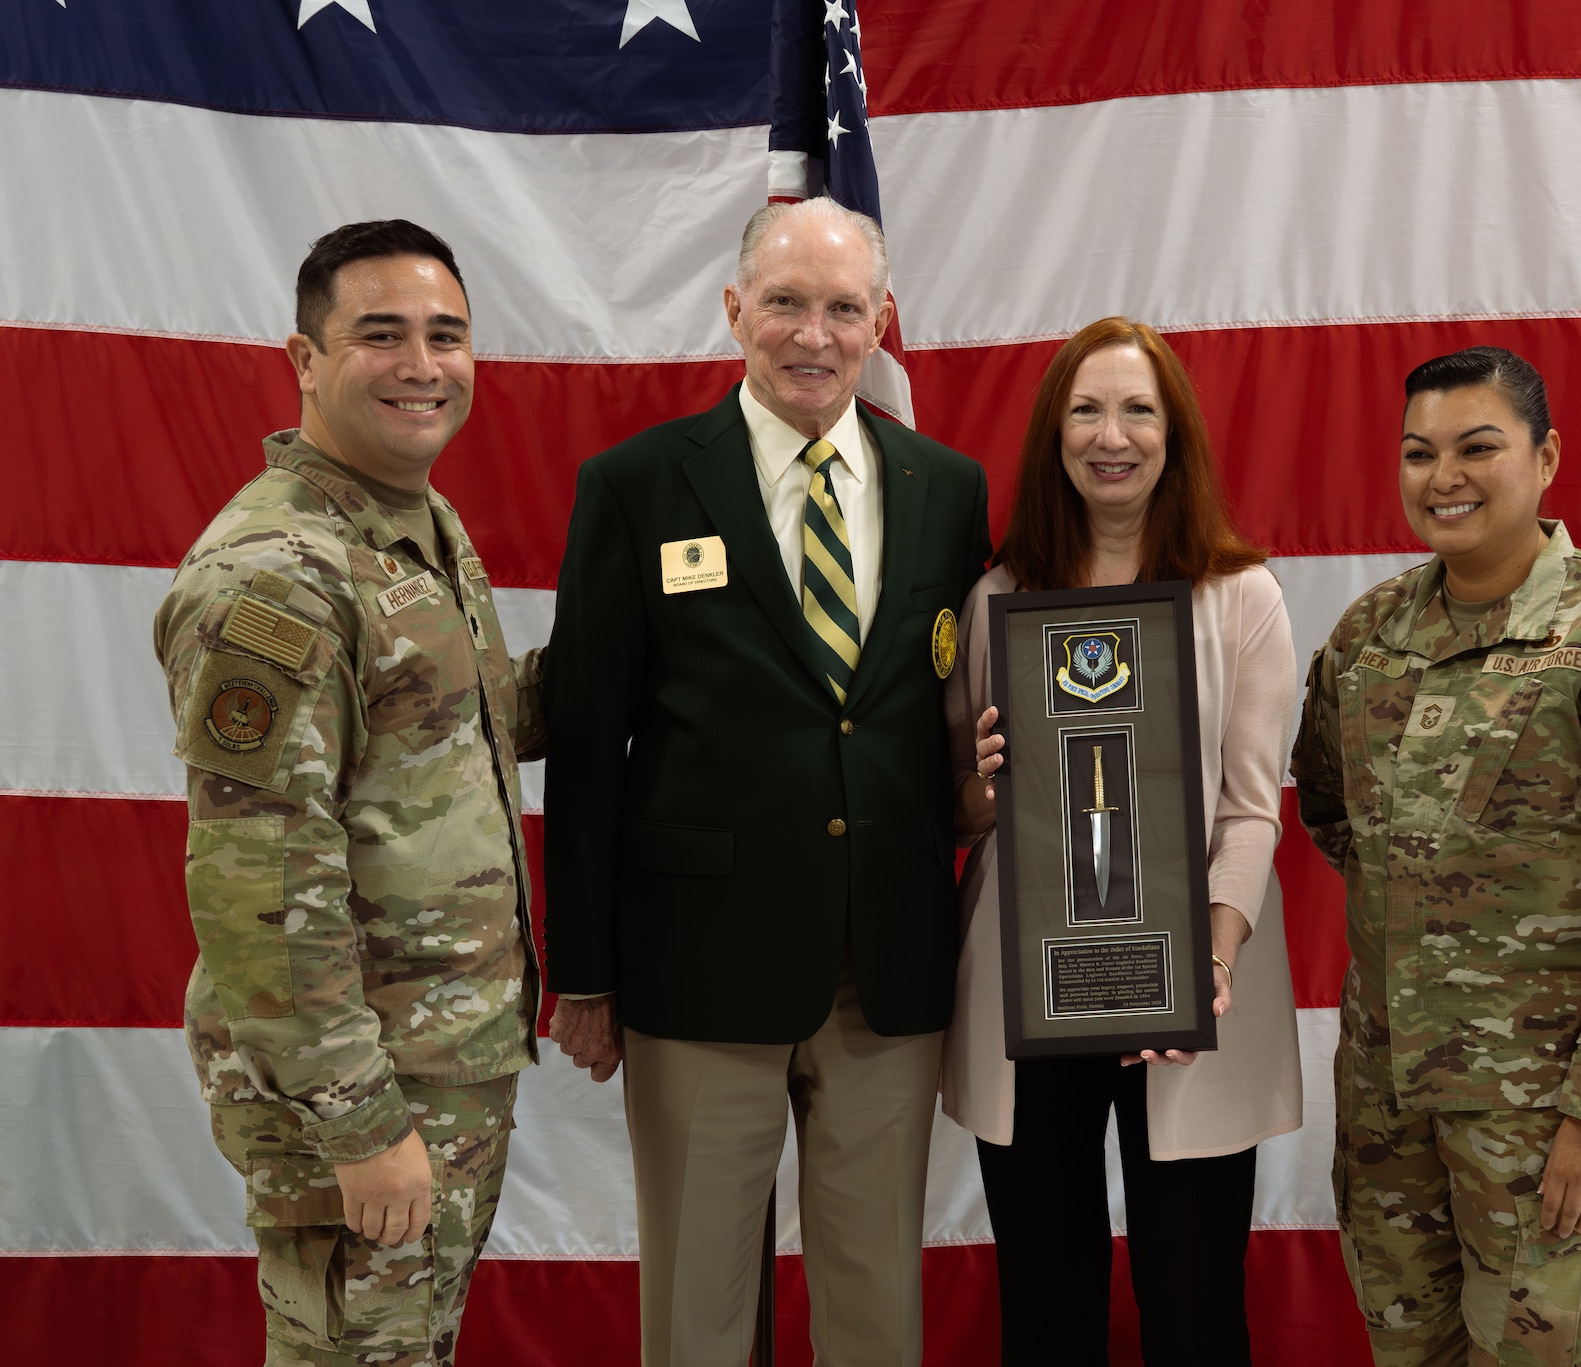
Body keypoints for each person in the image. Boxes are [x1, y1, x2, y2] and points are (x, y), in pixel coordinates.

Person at [542, 196, 993, 1366]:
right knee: (695, 1313)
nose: (813, 332)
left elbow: (944, 706)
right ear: (735, 309)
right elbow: (589, 745)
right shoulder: (635, 484)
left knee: (874, 1305)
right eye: (785, 302)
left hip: (885, 961)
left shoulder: (948, 491)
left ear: (880, 321)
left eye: (842, 307)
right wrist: (582, 969)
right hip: (695, 968)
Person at [152, 220, 546, 1367]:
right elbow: (258, 880)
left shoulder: (407, 528)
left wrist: (655, 643)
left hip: (440, 1060)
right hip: (366, 1086)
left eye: (445, 334)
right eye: (381, 335)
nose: (422, 363)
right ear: (305, 359)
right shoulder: (278, 572)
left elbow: (467, 725)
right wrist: (361, 1123)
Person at [1290, 346, 1581, 1366]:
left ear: (1544, 457)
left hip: (1548, 1126)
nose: (1444, 476)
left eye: (1477, 447)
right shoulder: (1368, 634)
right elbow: (1331, 809)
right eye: (1418, 452)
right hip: (1391, 1119)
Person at [948, 317, 1302, 1366]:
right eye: (1087, 408)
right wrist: (981, 779)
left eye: (1138, 408)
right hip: (1029, 988)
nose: (1113, 434)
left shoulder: (1242, 596)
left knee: (1191, 1309)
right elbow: (957, 808)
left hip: (1194, 991)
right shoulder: (998, 598)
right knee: (1046, 1306)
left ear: (1173, 431)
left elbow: (1250, 808)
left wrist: (1203, 957)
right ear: (1054, 433)